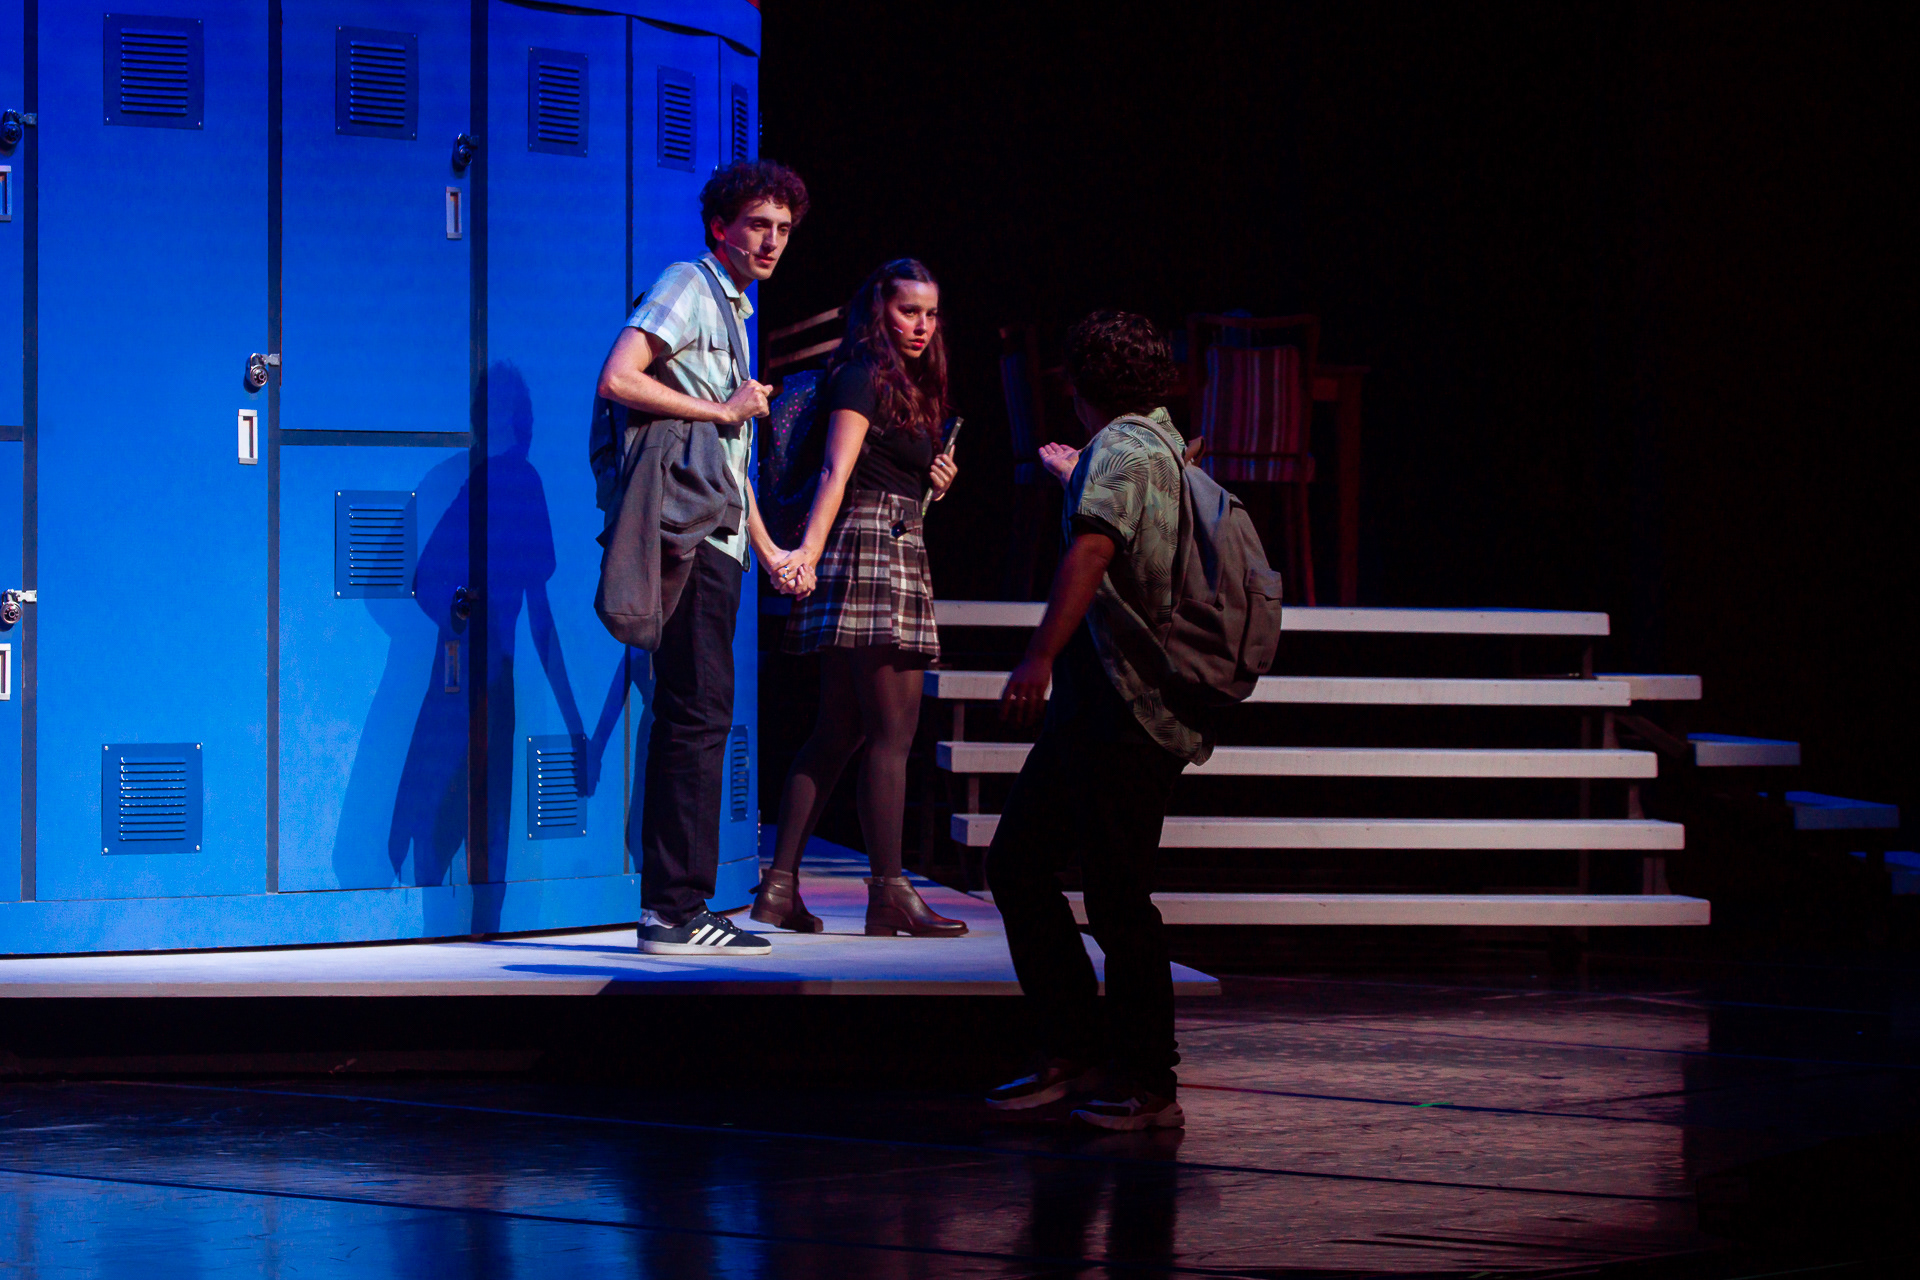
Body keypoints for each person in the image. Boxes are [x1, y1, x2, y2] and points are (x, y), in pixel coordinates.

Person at [982, 310, 1211, 1130]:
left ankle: (1148, 1082)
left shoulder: (1119, 449)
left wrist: (1037, 657)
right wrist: (1074, 474)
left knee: (1115, 897)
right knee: (1021, 864)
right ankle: (1076, 1050)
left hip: (1124, 705)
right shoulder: (1160, 444)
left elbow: (1093, 551)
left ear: (1081, 385)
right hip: (1105, 706)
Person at [595, 160, 809, 956]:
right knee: (696, 712)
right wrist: (721, 407)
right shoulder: (690, 283)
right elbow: (620, 377)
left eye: (783, 229)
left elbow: (728, 458)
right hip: (686, 535)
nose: (772, 241)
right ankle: (673, 912)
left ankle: (677, 907)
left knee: (699, 710)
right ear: (721, 226)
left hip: (718, 535)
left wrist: (770, 549)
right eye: (758, 225)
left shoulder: (734, 308)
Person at [751, 260, 968, 938]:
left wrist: (934, 482)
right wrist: (806, 554)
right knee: (891, 735)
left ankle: (779, 889)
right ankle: (890, 892)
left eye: (930, 314)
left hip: (890, 539)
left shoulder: (906, 386)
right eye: (909, 311)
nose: (921, 326)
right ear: (880, 309)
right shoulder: (861, 375)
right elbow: (834, 469)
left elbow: (881, 470)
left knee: (838, 731)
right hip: (873, 550)